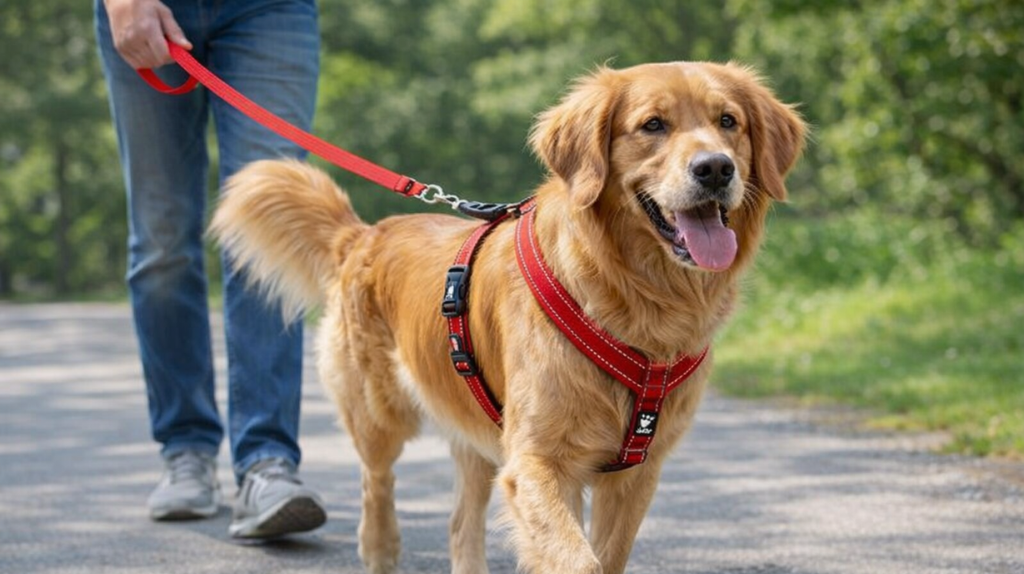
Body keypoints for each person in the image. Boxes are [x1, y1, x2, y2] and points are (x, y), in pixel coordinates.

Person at [94, 0, 326, 538]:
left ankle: (268, 463)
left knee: (268, 232)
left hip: (271, 10)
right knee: (161, 241)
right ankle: (186, 450)